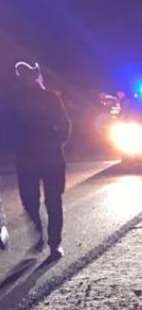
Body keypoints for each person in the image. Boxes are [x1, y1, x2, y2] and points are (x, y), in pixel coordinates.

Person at [11, 61, 70, 259]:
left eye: (28, 74)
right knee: (29, 201)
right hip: (26, 158)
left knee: (53, 201)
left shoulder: (50, 98)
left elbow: (64, 124)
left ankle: (55, 243)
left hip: (50, 157)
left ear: (34, 76)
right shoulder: (14, 100)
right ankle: (39, 233)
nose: (25, 78)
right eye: (21, 75)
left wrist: (55, 142)